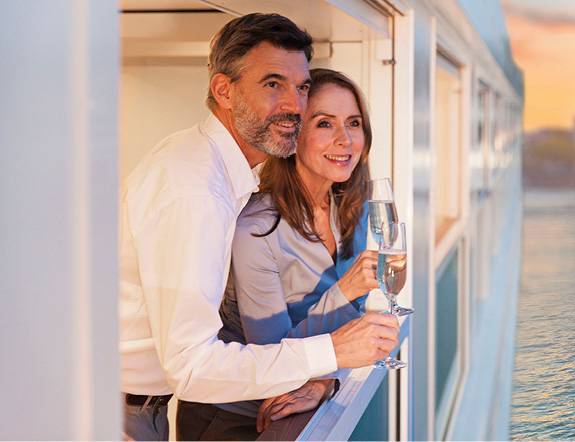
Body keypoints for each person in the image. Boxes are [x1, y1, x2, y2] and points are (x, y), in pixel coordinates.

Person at [119, 14, 399, 441]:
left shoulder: (224, 174)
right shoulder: (198, 193)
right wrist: (334, 351)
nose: (293, 104)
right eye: (273, 83)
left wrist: (325, 374)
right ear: (223, 91)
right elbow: (193, 367)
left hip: (147, 406)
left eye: (301, 87)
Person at [176, 68, 381, 439]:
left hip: (307, 399)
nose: (345, 139)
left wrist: (325, 381)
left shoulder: (354, 208)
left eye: (354, 123)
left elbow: (356, 328)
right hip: (234, 418)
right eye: (324, 124)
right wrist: (344, 293)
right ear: (293, 134)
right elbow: (270, 352)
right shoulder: (256, 227)